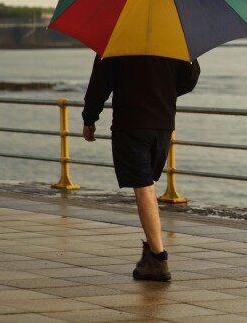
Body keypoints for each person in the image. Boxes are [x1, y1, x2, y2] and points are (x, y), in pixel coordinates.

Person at [82, 54, 200, 281]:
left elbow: (100, 82)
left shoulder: (118, 39)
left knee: (144, 188)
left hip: (131, 124)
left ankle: (158, 257)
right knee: (147, 186)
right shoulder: (173, 39)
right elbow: (190, 78)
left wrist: (90, 118)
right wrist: (162, 91)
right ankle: (151, 252)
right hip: (163, 125)